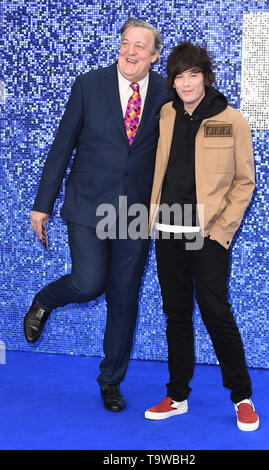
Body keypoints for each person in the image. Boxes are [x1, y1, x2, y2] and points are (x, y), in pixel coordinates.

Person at [24, 18, 172, 412]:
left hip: (135, 209)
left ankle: (110, 381)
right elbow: (63, 145)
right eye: (126, 43)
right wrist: (43, 204)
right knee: (89, 283)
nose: (131, 51)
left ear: (154, 56)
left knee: (124, 297)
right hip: (87, 202)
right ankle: (46, 298)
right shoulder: (89, 84)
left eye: (141, 46)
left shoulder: (165, 93)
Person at [145, 41, 259, 431]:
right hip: (167, 230)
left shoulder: (232, 119)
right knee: (176, 315)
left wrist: (220, 232)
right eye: (179, 76)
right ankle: (177, 396)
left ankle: (242, 396)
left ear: (206, 78)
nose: (187, 83)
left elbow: (244, 183)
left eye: (194, 75)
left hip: (207, 235)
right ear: (172, 82)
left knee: (215, 312)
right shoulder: (165, 114)